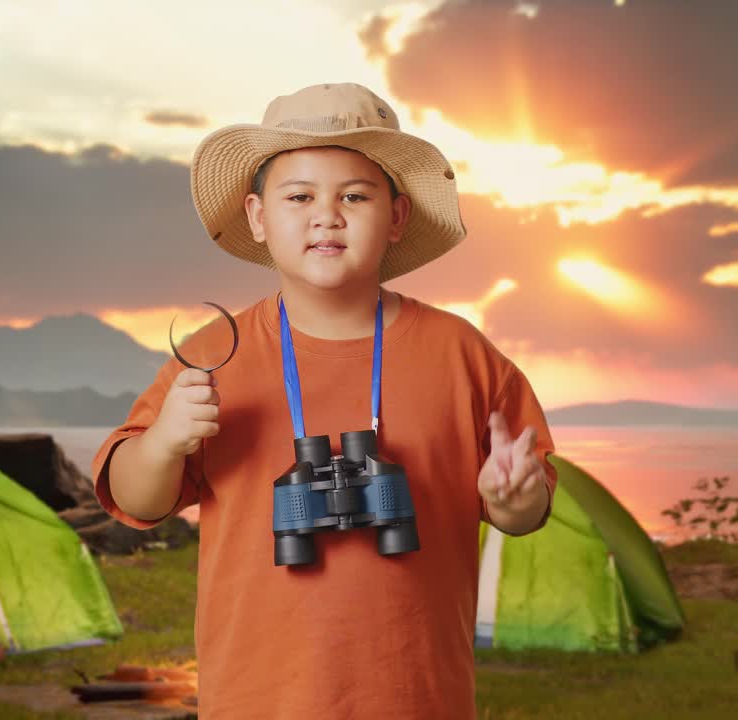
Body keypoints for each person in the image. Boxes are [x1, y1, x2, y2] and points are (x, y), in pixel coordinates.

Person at [90, 82, 557, 719]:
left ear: (397, 218)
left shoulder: (461, 354)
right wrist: (165, 441)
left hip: (416, 698)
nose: (326, 215)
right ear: (258, 217)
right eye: (300, 195)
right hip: (257, 699)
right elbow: (136, 499)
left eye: (355, 196)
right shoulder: (213, 352)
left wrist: (515, 496)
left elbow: (526, 512)